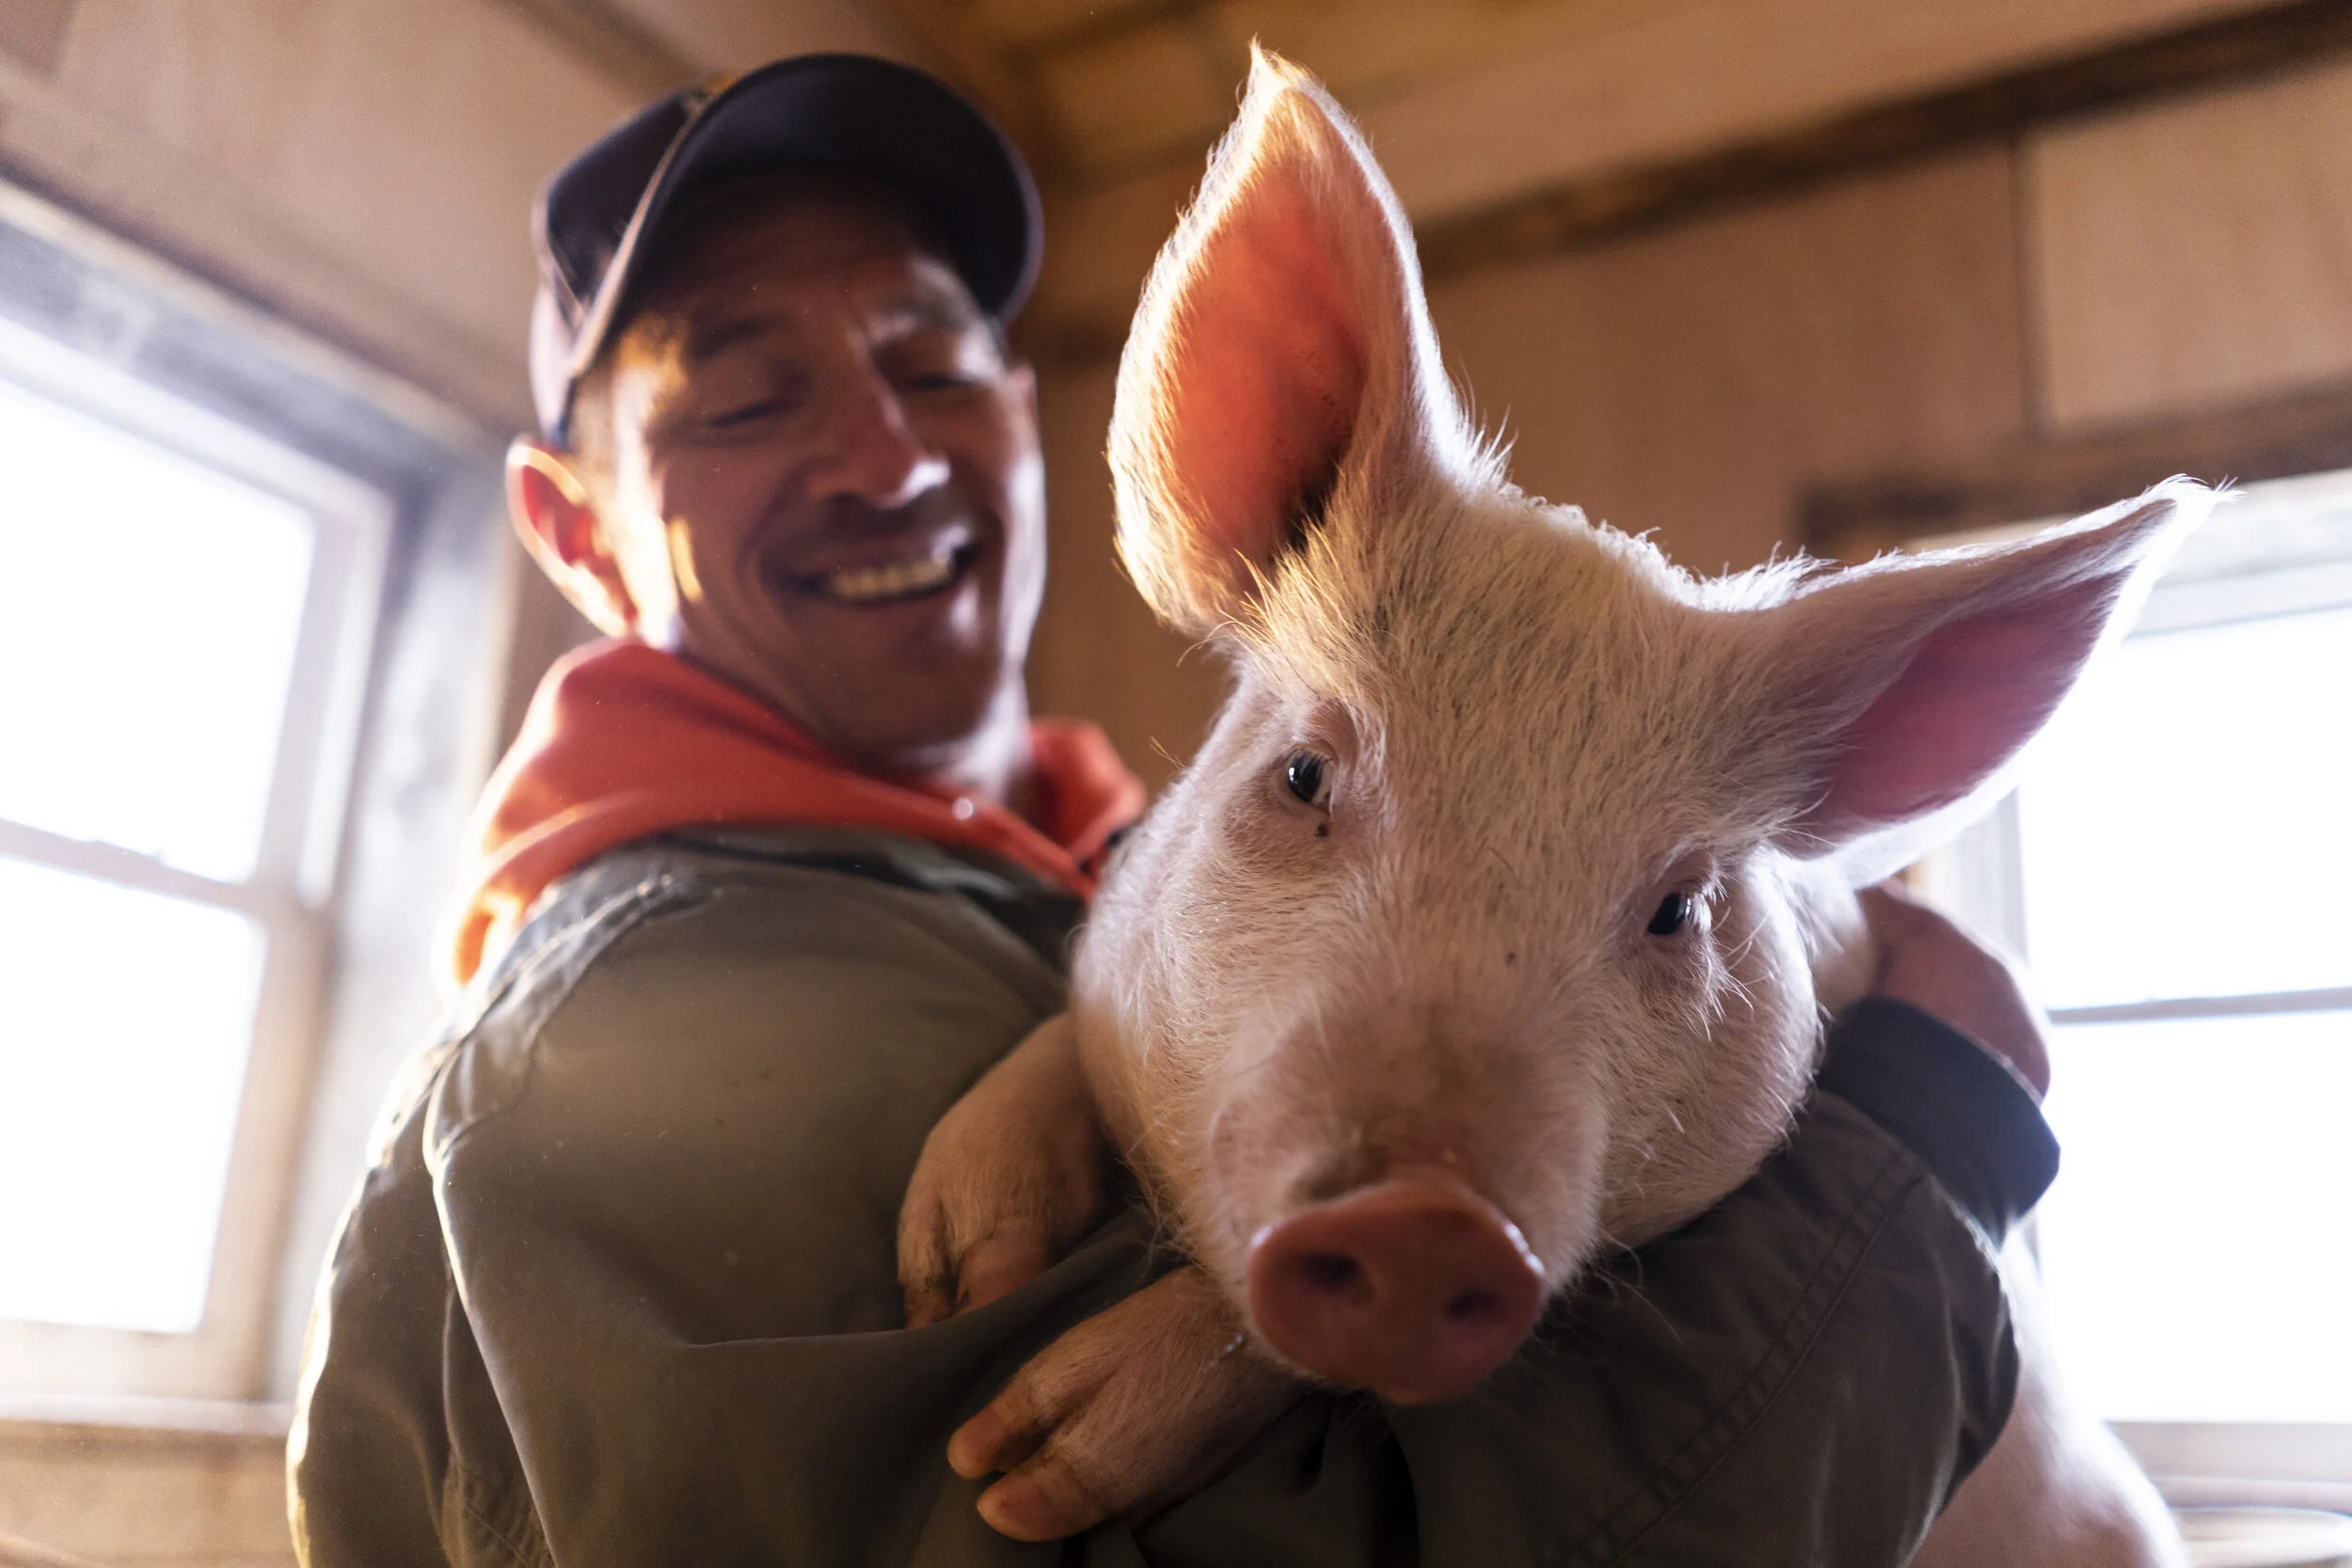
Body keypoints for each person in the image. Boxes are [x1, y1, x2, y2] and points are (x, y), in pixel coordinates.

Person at [289, 55, 2068, 1566]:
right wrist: (1934, 1132)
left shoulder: (1074, 871)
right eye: (746, 395)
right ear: (579, 529)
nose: (890, 457)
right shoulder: (668, 1018)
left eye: (933, 363)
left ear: (1039, 423)